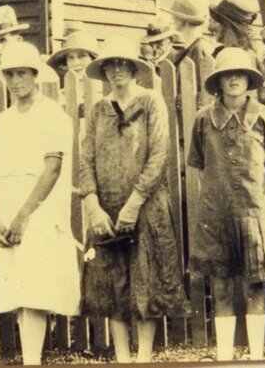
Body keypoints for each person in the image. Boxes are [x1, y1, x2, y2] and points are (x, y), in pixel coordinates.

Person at [79, 35, 189, 363]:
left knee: (145, 280)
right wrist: (92, 205)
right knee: (113, 282)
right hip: (107, 207)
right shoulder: (98, 110)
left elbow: (159, 154)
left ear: (133, 68)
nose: (117, 71)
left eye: (122, 64)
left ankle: (143, 357)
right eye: (110, 65)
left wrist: (135, 202)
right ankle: (122, 357)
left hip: (146, 206)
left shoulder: (152, 101)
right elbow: (86, 159)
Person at [0, 42, 80, 365]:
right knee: (16, 289)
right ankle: (30, 357)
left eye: (22, 74)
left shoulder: (52, 114)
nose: (16, 81)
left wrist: (24, 216)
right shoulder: (2, 121)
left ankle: (31, 359)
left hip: (38, 209)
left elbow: (52, 168)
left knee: (34, 289)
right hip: (8, 207)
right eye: (10, 75)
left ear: (35, 75)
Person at [188, 47, 265, 361]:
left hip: (254, 213)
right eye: (227, 75)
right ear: (218, 81)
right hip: (215, 215)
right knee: (222, 286)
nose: (234, 80)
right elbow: (200, 163)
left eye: (239, 74)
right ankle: (225, 356)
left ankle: (256, 356)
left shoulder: (264, 116)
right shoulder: (203, 120)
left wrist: (252, 202)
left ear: (249, 79)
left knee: (255, 286)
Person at [46, 28, 100, 115]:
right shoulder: (60, 96)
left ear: (93, 59)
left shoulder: (105, 91)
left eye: (82, 56)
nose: (76, 63)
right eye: (71, 58)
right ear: (65, 63)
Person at [161, 0, 215, 70]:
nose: (172, 19)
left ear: (185, 19)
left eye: (176, 16)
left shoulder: (200, 49)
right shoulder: (190, 47)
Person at [210, 0, 265, 70]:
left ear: (229, 26)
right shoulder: (218, 52)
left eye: (216, 22)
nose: (211, 27)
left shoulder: (246, 57)